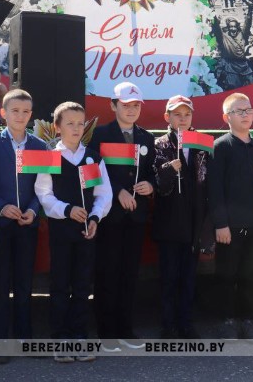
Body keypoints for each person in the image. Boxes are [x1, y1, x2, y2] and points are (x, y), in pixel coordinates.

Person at [35, 102, 112, 362]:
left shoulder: (92, 158)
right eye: (70, 123)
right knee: (60, 284)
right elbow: (44, 195)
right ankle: (60, 337)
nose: (76, 128)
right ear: (57, 127)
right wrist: (67, 210)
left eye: (80, 123)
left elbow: (103, 194)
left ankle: (80, 335)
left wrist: (95, 217)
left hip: (86, 233)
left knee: (82, 284)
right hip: (61, 232)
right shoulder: (51, 158)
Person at [0, 89, 46, 362]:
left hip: (27, 225)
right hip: (0, 225)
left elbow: (44, 186)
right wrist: (1, 206)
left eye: (26, 111)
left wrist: (33, 209)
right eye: (15, 111)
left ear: (31, 115)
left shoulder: (40, 146)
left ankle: (24, 337)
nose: (20, 116)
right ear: (3, 113)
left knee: (24, 282)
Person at [88, 82, 156, 350]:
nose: (131, 110)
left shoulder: (146, 138)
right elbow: (94, 172)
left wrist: (150, 185)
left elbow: (151, 173)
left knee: (129, 274)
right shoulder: (100, 134)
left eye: (136, 105)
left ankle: (125, 329)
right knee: (107, 273)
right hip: (110, 217)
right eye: (126, 105)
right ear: (113, 105)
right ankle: (106, 332)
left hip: (136, 218)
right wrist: (117, 191)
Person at [208, 92, 253, 339]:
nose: (246, 115)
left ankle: (249, 320)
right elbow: (214, 190)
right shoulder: (220, 147)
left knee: (251, 275)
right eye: (239, 111)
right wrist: (221, 224)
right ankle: (226, 320)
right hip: (229, 227)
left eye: (248, 110)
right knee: (227, 275)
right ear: (227, 117)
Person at [151, 95, 212, 339]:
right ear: (167, 117)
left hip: (194, 222)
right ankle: (167, 324)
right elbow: (157, 184)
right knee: (168, 277)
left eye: (187, 114)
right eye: (177, 114)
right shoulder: (159, 145)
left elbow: (208, 182)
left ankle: (186, 323)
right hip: (169, 223)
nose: (183, 119)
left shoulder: (203, 143)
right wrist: (169, 169)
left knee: (188, 278)